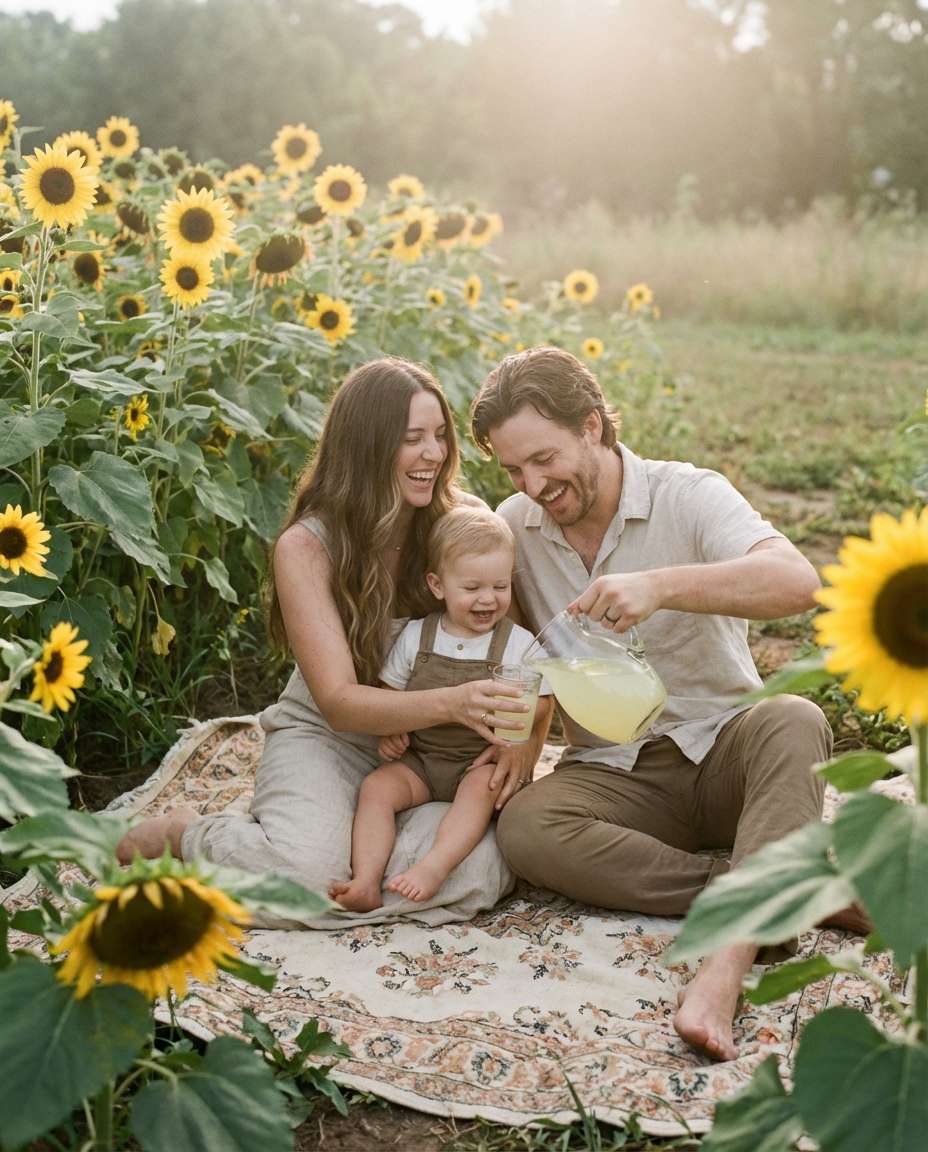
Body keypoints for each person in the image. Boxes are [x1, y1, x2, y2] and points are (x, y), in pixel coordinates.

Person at [469, 345, 869, 1061]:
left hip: (725, 752)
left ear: (592, 426)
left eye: (544, 459)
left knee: (796, 719)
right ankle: (788, 888)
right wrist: (526, 738)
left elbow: (798, 582)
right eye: (513, 470)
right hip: (616, 774)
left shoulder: (688, 493)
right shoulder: (514, 525)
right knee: (526, 828)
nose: (533, 485)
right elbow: (529, 652)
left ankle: (724, 966)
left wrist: (660, 586)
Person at [116, 357, 538, 928]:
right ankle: (189, 836)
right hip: (330, 735)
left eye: (440, 435)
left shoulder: (462, 523)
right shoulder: (308, 547)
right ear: (367, 446)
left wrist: (524, 745)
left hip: (434, 751)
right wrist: (454, 702)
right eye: (412, 438)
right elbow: (338, 702)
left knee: (481, 870)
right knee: (304, 878)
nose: (434, 454)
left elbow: (527, 653)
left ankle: (356, 852)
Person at [329, 507, 554, 912]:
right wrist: (391, 731)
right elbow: (390, 693)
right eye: (472, 587)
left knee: (482, 789)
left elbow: (544, 698)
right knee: (376, 789)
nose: (488, 599)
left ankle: (434, 866)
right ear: (437, 585)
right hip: (422, 760)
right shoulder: (418, 636)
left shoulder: (518, 644)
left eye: (500, 586)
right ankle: (366, 879)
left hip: (478, 760)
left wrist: (518, 720)